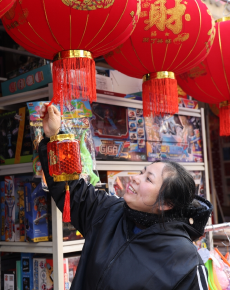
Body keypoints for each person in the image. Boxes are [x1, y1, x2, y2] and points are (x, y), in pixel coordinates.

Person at [39, 104, 213, 290]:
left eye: (148, 179)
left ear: (166, 203)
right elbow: (71, 191)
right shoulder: (108, 212)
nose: (135, 179)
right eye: (141, 172)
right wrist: (55, 136)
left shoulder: (185, 260)